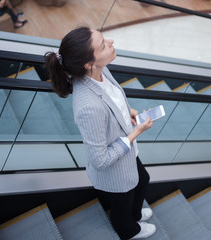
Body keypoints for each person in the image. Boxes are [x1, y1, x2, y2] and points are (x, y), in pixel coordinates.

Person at [44, 26, 156, 240]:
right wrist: (135, 133)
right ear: (88, 63)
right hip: (114, 168)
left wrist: (128, 112)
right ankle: (128, 231)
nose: (111, 42)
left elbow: (113, 99)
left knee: (142, 180)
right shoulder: (88, 106)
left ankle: (135, 214)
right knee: (122, 206)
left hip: (126, 151)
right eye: (103, 44)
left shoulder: (100, 69)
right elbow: (100, 160)